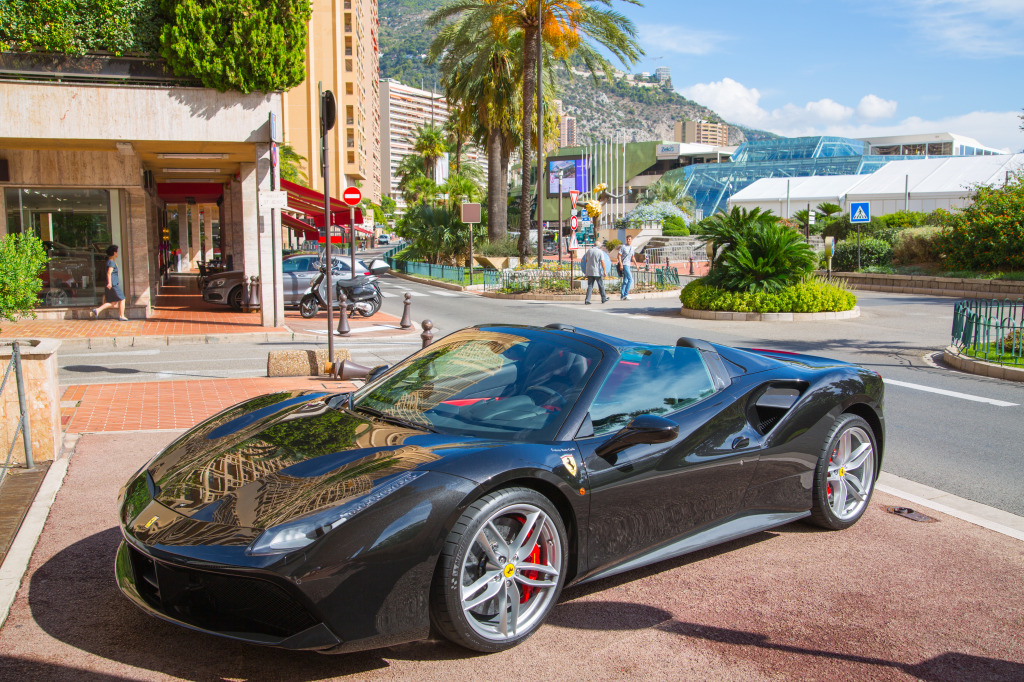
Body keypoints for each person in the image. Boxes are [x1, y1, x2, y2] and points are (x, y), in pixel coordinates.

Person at [92, 245, 128, 320]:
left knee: (113, 302)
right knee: (122, 299)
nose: (118, 253)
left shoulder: (110, 261)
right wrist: (110, 283)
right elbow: (109, 273)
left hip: (111, 284)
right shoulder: (111, 262)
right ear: (114, 253)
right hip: (113, 285)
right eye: (117, 252)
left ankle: (97, 310)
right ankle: (121, 316)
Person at [583, 240, 610, 305]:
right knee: (601, 285)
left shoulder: (589, 251)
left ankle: (587, 300)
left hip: (589, 271)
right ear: (599, 246)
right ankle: (603, 298)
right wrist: (604, 271)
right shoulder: (600, 252)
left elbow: (586, 260)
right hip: (597, 271)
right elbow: (602, 262)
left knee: (590, 286)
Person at [617, 234, 638, 300]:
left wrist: (636, 265)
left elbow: (632, 257)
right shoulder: (623, 247)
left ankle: (622, 296)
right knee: (630, 279)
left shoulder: (632, 248)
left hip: (628, 264)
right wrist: (621, 264)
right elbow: (619, 256)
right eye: (627, 239)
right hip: (624, 264)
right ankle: (626, 294)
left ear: (631, 240)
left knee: (625, 280)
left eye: (629, 239)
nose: (628, 240)